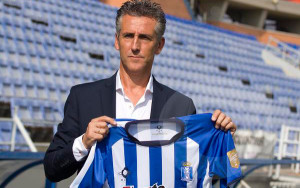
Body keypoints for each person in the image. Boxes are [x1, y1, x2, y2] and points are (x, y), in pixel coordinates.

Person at [43, 0, 237, 182]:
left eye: (144, 38)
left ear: (159, 45)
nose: (135, 46)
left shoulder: (181, 105)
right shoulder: (83, 98)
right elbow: (52, 170)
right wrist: (84, 142)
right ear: (117, 41)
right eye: (128, 36)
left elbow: (196, 172)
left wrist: (221, 138)